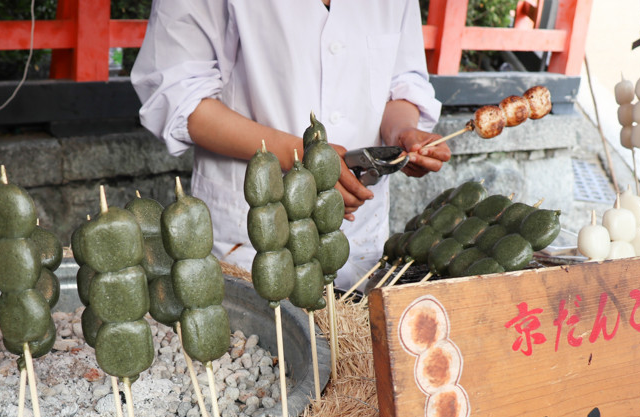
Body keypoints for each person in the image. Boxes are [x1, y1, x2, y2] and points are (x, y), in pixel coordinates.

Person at [131, 0, 451, 286]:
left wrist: (403, 132)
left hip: (360, 232)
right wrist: (305, 159)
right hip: (250, 233)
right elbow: (179, 94)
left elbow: (400, 82)